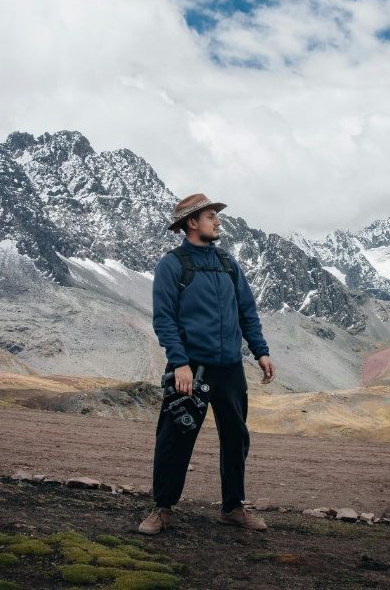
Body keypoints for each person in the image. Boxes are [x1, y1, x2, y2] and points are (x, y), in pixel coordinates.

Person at [138, 193, 276, 535]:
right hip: (190, 369)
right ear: (192, 222)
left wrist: (260, 351)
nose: (218, 221)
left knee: (235, 437)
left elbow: (247, 312)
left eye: (216, 216)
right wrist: (179, 363)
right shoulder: (172, 265)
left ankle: (232, 507)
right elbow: (164, 319)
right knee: (175, 437)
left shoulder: (229, 264)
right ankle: (163, 508)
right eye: (211, 216)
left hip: (230, 368)